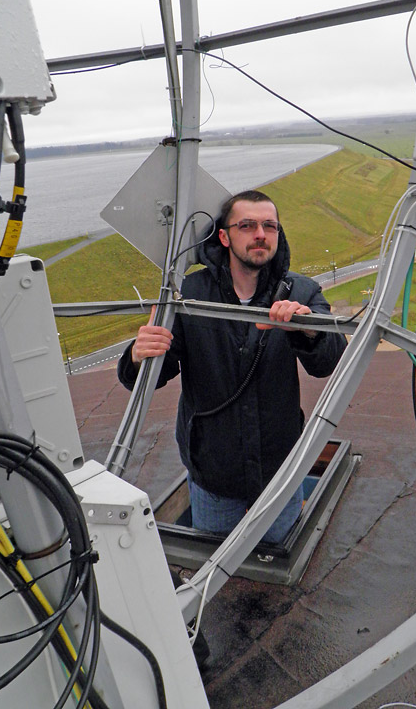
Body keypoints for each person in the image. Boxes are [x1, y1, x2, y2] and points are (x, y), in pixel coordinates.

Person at [118, 189, 347, 542]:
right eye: (247, 225)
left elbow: (330, 360)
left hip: (279, 471)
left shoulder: (300, 292)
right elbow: (149, 377)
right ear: (224, 237)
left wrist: (309, 329)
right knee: (214, 563)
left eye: (270, 226)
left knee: (276, 559)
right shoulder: (188, 295)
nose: (261, 234)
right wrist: (139, 355)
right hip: (214, 477)